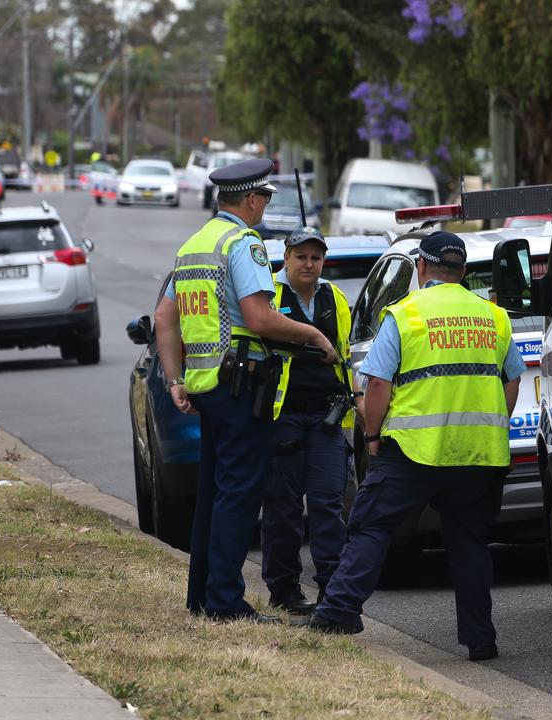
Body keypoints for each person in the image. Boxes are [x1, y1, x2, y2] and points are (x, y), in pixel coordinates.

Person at [295, 232, 525, 662]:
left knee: (371, 526)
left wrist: (372, 435)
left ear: (421, 267)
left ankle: (339, 611)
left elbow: (378, 382)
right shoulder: (492, 316)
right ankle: (480, 639)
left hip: (412, 450)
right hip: (477, 454)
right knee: (470, 544)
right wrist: (495, 420)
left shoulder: (405, 314)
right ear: (461, 272)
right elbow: (512, 376)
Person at [154, 158, 338, 622]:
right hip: (240, 384)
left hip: (206, 384)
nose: (264, 207)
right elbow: (259, 318)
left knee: (214, 494)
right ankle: (225, 603)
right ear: (252, 199)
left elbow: (164, 318)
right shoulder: (243, 243)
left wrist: (176, 379)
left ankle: (203, 596)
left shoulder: (195, 245)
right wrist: (314, 335)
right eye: (265, 199)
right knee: (238, 494)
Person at [262, 227, 357, 615]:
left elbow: (346, 357)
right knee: (282, 507)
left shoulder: (335, 298)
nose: (308, 264)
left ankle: (330, 592)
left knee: (327, 504)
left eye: (315, 258)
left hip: (326, 418)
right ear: (286, 258)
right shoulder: (267, 293)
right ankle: (283, 591)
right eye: (301, 256)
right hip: (281, 416)